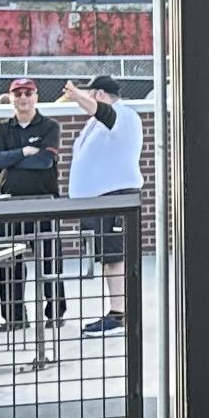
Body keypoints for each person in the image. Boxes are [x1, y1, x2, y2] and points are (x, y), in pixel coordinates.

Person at [63, 76, 145, 337]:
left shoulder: (124, 116)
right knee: (108, 259)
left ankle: (119, 314)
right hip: (99, 200)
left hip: (115, 196)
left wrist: (77, 95)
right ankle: (118, 310)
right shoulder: (94, 125)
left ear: (98, 94)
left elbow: (106, 114)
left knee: (115, 257)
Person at [0, 76, 62, 328]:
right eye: (17, 94)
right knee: (9, 266)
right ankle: (15, 318)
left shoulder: (49, 127)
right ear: (11, 98)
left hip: (44, 204)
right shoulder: (2, 129)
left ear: (36, 97)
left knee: (50, 262)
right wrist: (23, 153)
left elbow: (45, 162)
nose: (23, 98)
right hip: (9, 206)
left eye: (28, 93)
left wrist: (13, 159)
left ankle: (55, 314)